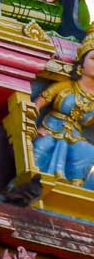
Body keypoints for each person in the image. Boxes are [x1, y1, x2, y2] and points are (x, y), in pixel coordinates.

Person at [33, 34, 94, 189]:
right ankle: (33, 182)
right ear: (81, 64)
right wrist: (32, 126)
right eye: (93, 59)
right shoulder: (66, 86)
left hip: (75, 136)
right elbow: (39, 102)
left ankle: (74, 187)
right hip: (49, 128)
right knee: (41, 148)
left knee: (88, 152)